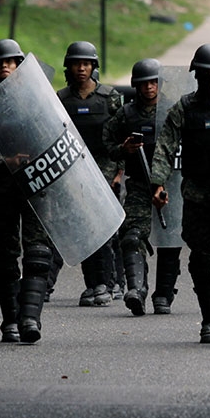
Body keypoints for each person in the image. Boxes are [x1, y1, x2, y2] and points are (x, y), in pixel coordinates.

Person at [150, 43, 210, 347]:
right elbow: (165, 145)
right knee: (201, 260)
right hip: (196, 195)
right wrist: (157, 181)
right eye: (204, 74)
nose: (209, 80)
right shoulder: (185, 108)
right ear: (195, 75)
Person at [0, 38, 55, 344]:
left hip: (35, 185)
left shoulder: (38, 100)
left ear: (19, 65)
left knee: (37, 255)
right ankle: (10, 321)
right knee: (4, 256)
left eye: (10, 62)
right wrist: (4, 161)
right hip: (3, 188)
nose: (5, 66)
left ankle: (30, 318)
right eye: (0, 63)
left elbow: (56, 134)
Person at [103, 58, 183, 316]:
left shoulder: (174, 110)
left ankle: (164, 295)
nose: (149, 87)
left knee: (171, 240)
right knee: (132, 235)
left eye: (153, 82)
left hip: (173, 183)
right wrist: (123, 150)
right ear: (136, 86)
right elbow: (107, 143)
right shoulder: (126, 114)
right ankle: (136, 289)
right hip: (139, 184)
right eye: (144, 83)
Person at [57, 41, 124, 307]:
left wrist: (119, 174)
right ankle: (93, 285)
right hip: (74, 172)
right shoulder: (60, 100)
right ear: (69, 67)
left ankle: (108, 284)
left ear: (93, 67)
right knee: (83, 231)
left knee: (105, 230)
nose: (81, 68)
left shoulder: (111, 98)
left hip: (106, 171)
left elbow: (123, 138)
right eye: (76, 63)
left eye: (86, 64)